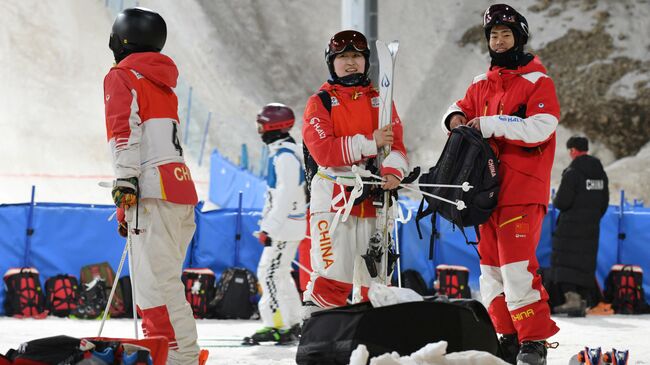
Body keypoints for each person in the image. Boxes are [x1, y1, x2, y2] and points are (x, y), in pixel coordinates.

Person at [440, 4, 560, 364]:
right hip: (483, 194)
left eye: (506, 34)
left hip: (521, 190)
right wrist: (455, 116)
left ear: (520, 37)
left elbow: (542, 126)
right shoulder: (480, 83)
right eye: (493, 35)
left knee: (516, 268)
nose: (499, 40)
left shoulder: (539, 82)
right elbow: (457, 107)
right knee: (490, 271)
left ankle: (533, 341)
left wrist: (491, 124)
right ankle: (507, 336)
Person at [103, 8, 200, 365]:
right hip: (177, 192)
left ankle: (178, 357)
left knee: (156, 287)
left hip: (152, 191)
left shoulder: (122, 76)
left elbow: (123, 131)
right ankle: (172, 351)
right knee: (163, 283)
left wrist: (125, 182)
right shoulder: (163, 83)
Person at [302, 30, 409, 309]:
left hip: (374, 200)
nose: (351, 63)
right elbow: (323, 151)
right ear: (332, 62)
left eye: (357, 57)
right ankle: (319, 338)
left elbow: (397, 145)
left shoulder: (380, 100)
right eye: (344, 57)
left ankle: (370, 340)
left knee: (375, 280)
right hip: (335, 200)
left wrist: (393, 171)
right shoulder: (320, 102)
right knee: (332, 275)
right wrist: (369, 143)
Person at [244, 103, 306, 345]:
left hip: (284, 227)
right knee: (278, 274)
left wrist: (269, 227)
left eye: (262, 126)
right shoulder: (283, 154)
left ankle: (276, 324)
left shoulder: (285, 157)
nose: (259, 131)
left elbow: (286, 194)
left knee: (268, 274)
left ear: (274, 127)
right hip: (285, 225)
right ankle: (293, 320)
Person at [550, 136, 609, 316]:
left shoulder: (573, 172)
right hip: (591, 227)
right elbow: (604, 202)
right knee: (585, 262)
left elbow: (562, 202)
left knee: (565, 261)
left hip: (570, 228)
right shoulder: (600, 172)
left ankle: (572, 300)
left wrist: (555, 199)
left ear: (573, 150)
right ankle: (582, 300)